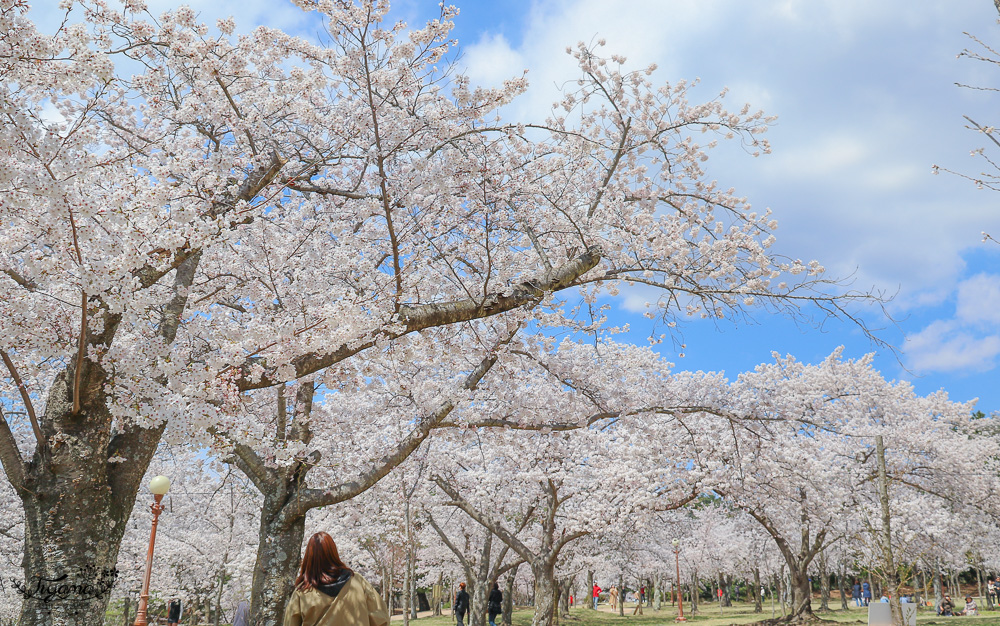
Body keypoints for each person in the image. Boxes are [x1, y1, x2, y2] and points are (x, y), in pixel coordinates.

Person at [283, 531, 389, 626]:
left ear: (309, 557)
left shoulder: (303, 591)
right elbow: (381, 618)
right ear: (333, 552)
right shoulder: (357, 582)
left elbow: (290, 623)